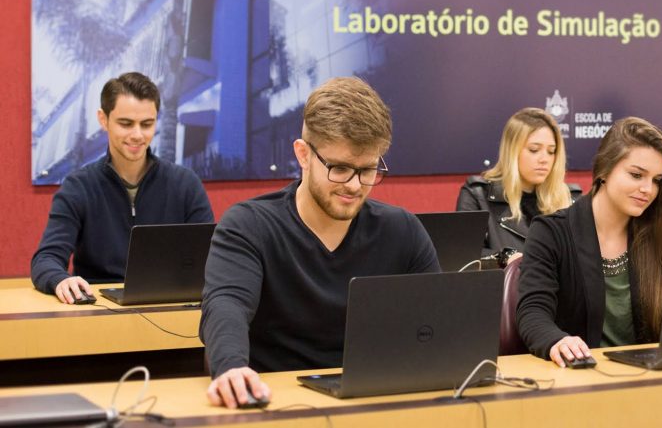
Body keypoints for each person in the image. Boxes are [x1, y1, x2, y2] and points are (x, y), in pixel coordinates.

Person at [200, 76, 439, 408]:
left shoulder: (403, 232)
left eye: (368, 169)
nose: (355, 186)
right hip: (278, 406)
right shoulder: (248, 226)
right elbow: (226, 305)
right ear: (303, 154)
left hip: (373, 403)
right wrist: (231, 367)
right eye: (339, 169)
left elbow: (436, 327)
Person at [515, 117, 662, 367]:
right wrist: (557, 341)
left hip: (653, 379)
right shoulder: (551, 233)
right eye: (636, 175)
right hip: (582, 379)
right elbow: (533, 312)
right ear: (604, 171)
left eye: (656, 180)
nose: (648, 189)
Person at [31, 72, 213, 304]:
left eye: (147, 124)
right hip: (98, 316)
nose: (137, 135)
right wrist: (60, 279)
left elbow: (212, 258)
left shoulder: (186, 184)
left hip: (171, 310)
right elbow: (45, 258)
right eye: (126, 124)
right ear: (103, 119)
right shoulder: (78, 187)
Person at [456, 108, 579, 264]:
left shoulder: (570, 199)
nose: (544, 159)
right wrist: (505, 257)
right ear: (512, 151)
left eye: (551, 151)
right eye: (534, 150)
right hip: (502, 287)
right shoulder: (478, 195)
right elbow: (464, 258)